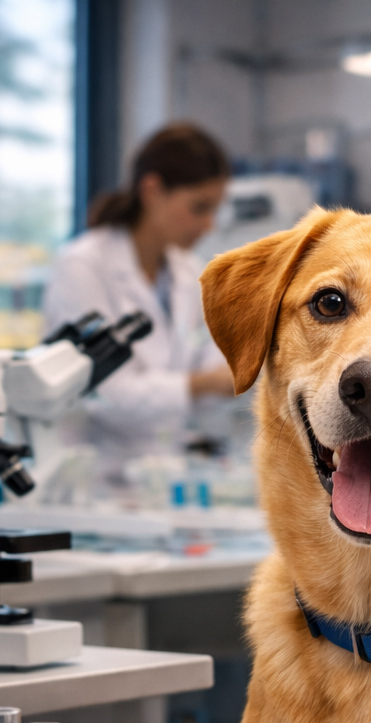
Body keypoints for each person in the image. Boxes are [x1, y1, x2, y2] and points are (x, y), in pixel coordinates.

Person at [42, 122, 235, 477]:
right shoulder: (83, 266)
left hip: (163, 471)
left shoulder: (188, 270)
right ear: (152, 190)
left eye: (214, 211)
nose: (208, 225)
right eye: (199, 207)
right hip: (93, 472)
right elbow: (105, 392)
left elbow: (214, 364)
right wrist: (206, 383)